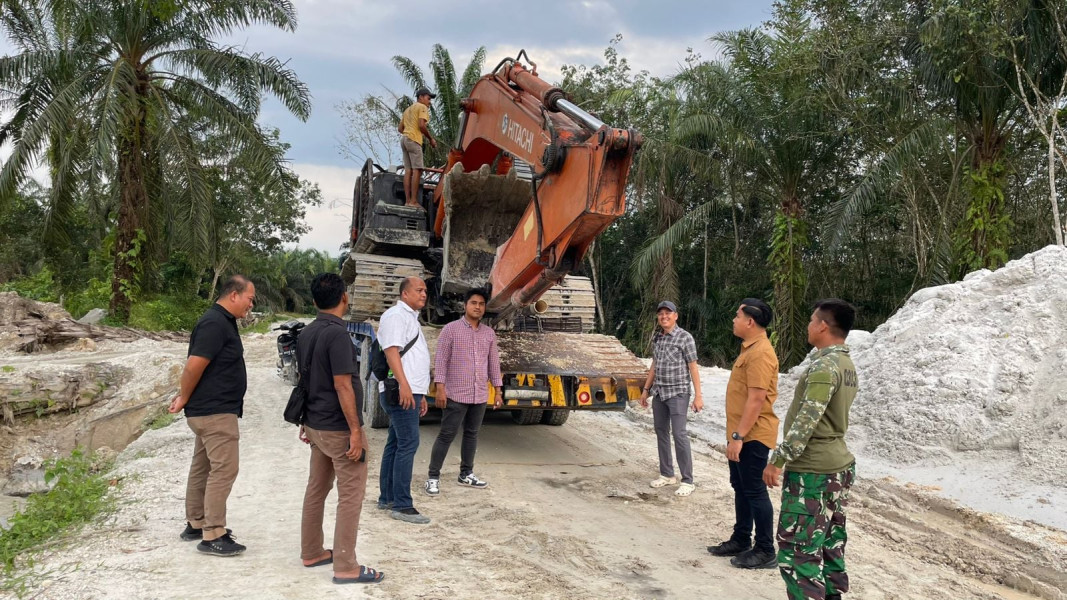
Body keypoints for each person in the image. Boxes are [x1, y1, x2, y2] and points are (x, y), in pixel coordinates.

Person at [763, 299, 859, 600]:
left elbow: (807, 420)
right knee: (830, 541)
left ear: (823, 326)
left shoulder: (824, 366)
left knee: (798, 551)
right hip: (837, 467)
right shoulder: (846, 365)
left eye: (811, 320)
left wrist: (778, 460)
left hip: (812, 472)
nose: (808, 325)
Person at [296, 273, 383, 585]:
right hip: (337, 429)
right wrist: (356, 431)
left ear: (314, 301)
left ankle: (312, 551)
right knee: (351, 495)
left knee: (316, 489)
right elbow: (343, 386)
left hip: (316, 425)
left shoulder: (307, 332)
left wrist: (305, 420)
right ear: (344, 297)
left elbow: (305, 381)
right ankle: (346, 566)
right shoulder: (338, 336)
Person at [168, 275, 255, 556]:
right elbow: (193, 366)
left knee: (203, 466)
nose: (251, 305)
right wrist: (183, 397)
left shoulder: (221, 321)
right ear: (234, 295)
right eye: (250, 299)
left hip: (209, 410)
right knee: (225, 469)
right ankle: (213, 533)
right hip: (215, 412)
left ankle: (196, 522)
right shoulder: (214, 323)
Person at [708, 298, 780, 569]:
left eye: (737, 316)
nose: (734, 320)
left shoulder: (760, 353)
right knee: (741, 487)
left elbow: (756, 399)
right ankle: (741, 539)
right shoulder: (749, 349)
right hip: (741, 432)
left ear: (750, 321)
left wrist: (738, 437)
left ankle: (765, 549)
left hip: (752, 434)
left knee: (754, 490)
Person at [424, 288, 503, 496]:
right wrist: (440, 388)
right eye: (473, 303)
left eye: (481, 304)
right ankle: (433, 477)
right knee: (446, 434)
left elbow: (493, 364)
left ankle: (466, 473)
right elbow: (441, 361)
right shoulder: (450, 330)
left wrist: (498, 390)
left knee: (472, 434)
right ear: (465, 305)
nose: (477, 307)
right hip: (456, 394)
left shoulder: (489, 333)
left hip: (479, 394)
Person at [376, 276, 431, 524]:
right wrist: (405, 386)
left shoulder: (410, 318)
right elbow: (391, 352)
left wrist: (420, 393)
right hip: (401, 390)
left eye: (425, 290)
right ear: (404, 294)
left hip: (410, 390)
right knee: (408, 443)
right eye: (419, 290)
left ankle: (387, 498)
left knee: (396, 443)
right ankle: (402, 505)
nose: (424, 294)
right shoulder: (396, 316)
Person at [637, 300, 703, 497]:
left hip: (678, 393)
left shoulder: (685, 338)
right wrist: (646, 389)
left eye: (668, 313)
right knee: (661, 431)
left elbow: (693, 367)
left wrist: (698, 396)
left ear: (675, 316)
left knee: (679, 434)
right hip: (659, 392)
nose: (664, 316)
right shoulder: (658, 338)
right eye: (661, 314)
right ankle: (667, 474)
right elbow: (654, 365)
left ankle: (687, 481)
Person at [398, 87, 437, 208]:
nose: (429, 102)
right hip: (414, 140)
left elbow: (400, 128)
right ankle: (414, 201)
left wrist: (409, 132)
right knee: (417, 170)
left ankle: (408, 201)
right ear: (420, 97)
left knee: (408, 171)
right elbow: (421, 125)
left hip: (404, 139)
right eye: (428, 98)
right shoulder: (422, 107)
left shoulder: (408, 110)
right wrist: (430, 139)